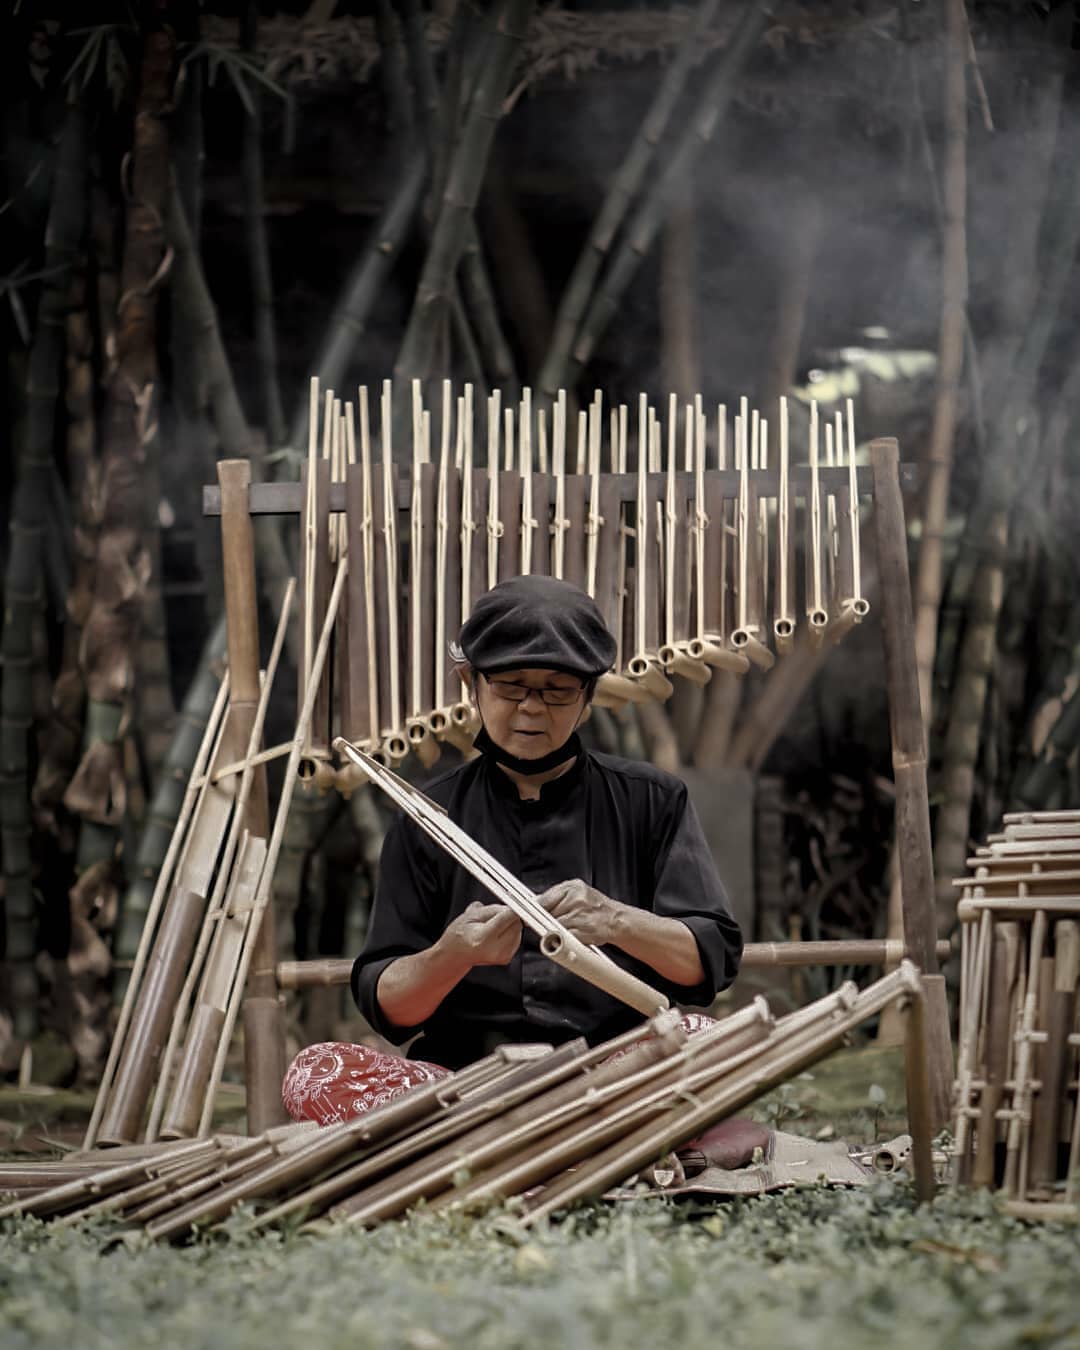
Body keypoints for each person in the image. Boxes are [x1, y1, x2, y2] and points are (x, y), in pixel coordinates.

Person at [283, 575, 742, 1125]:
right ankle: (555, 1143)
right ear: (469, 683)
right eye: (510, 685)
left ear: (589, 697)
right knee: (314, 1071)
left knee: (711, 1042)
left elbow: (708, 964)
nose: (531, 709)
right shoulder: (427, 820)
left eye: (557, 690)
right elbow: (389, 1009)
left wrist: (616, 920)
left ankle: (522, 1144)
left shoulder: (653, 800)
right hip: (465, 1089)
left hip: (615, 1074)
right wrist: (452, 955)